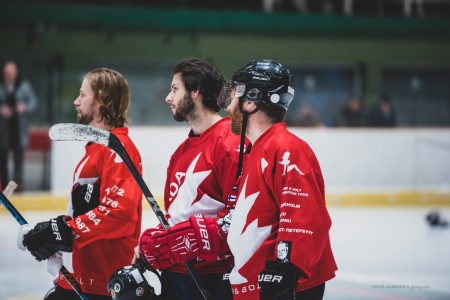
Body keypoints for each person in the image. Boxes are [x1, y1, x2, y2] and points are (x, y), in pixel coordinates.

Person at [21, 67, 143, 299]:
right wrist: (57, 236)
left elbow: (120, 213)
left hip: (101, 282)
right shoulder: (96, 149)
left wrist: (66, 231)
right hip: (81, 278)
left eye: (83, 95)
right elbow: (87, 209)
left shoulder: (118, 149)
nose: (76, 102)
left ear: (100, 101)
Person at [219, 60, 337, 300]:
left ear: (251, 100)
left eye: (233, 97)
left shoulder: (286, 148)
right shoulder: (257, 149)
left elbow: (303, 218)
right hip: (260, 285)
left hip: (287, 287)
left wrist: (285, 271)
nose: (228, 107)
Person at [137, 58, 243, 300]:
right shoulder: (181, 152)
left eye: (175, 89)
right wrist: (156, 240)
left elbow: (239, 216)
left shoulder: (230, 144)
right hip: (176, 273)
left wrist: (188, 239)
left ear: (195, 91)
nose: (168, 97)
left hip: (211, 278)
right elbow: (177, 214)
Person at [0, 60, 38, 191]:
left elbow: (34, 102)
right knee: (2, 156)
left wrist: (24, 107)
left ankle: (18, 184)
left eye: (12, 72)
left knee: (18, 157)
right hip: (3, 129)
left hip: (18, 128)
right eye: (8, 72)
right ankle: (4, 184)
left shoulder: (24, 85)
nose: (10, 75)